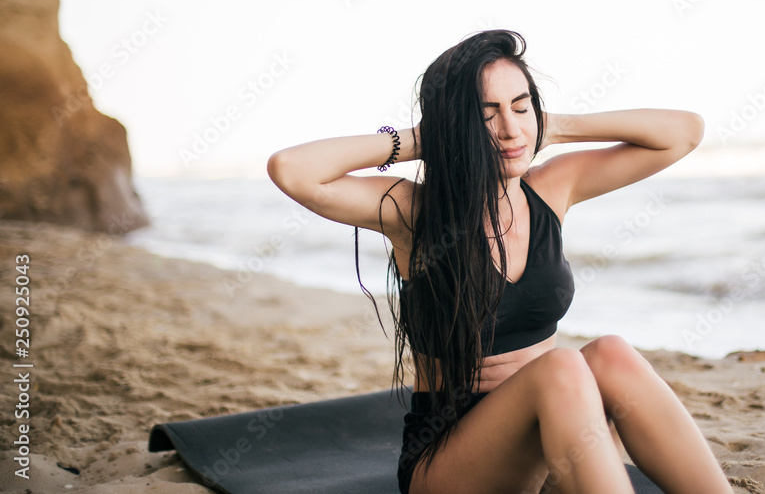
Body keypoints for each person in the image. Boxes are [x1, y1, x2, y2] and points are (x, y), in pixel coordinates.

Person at [267, 30, 731, 494]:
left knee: (611, 353)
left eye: (521, 106)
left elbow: (684, 132)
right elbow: (292, 170)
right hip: (451, 462)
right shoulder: (413, 212)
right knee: (562, 366)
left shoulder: (552, 188)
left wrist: (551, 126)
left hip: (553, 439)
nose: (510, 130)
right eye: (486, 115)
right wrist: (424, 138)